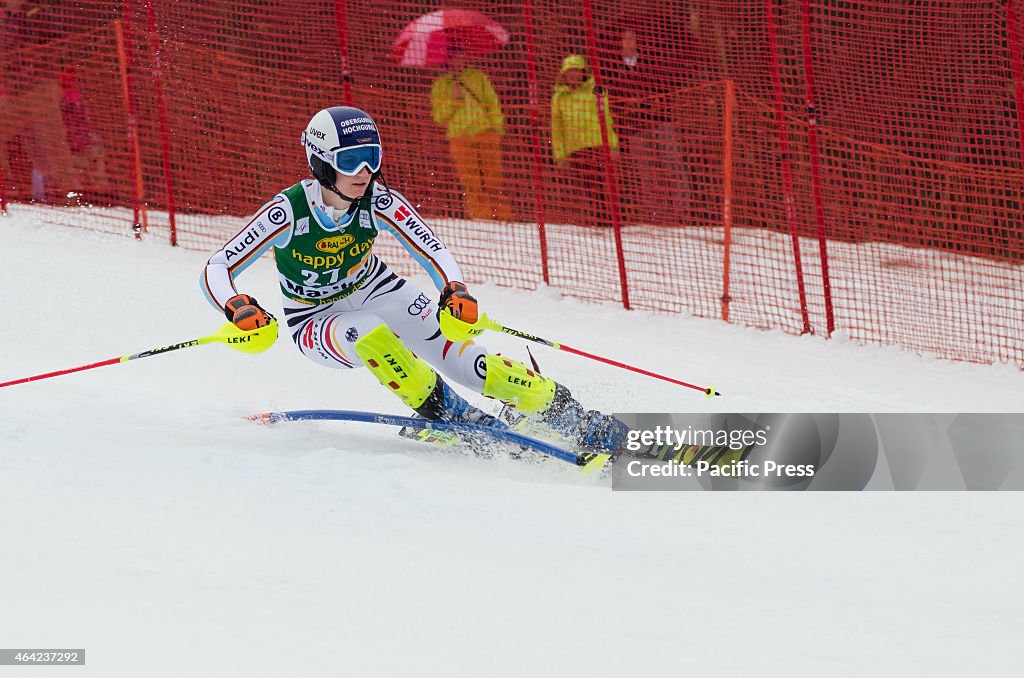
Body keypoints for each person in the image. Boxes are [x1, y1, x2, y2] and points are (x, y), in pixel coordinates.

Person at [200, 106, 631, 454]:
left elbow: (433, 251)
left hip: (379, 290)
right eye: (351, 160)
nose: (364, 171)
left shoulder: (379, 201)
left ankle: (570, 416)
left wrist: (454, 290)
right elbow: (217, 267)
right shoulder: (289, 211)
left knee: (466, 357)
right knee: (371, 334)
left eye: (373, 158)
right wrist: (237, 306)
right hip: (314, 319)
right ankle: (455, 417)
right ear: (321, 162)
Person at [430, 48, 511, 221]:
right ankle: (482, 217)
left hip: (486, 133)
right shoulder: (441, 85)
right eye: (455, 57)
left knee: (493, 178)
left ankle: (502, 217)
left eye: (462, 56)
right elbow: (439, 117)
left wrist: (496, 128)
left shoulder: (477, 77)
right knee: (471, 181)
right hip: (460, 137)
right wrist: (454, 99)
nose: (460, 60)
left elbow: (492, 102)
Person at [550, 54, 619, 228]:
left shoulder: (596, 90)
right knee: (589, 185)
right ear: (564, 75)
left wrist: (613, 144)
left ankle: (613, 221)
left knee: (606, 183)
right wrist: (560, 155)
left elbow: (607, 118)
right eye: (569, 72)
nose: (573, 76)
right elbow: (557, 129)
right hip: (577, 149)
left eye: (577, 72)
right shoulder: (559, 98)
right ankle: (602, 221)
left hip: (599, 145)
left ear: (583, 73)